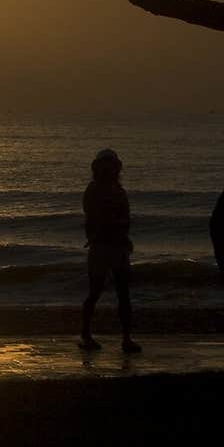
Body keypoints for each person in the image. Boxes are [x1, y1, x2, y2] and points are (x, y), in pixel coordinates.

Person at [79, 148, 141, 354]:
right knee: (95, 292)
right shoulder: (93, 189)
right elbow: (95, 217)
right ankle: (86, 335)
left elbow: (125, 218)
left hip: (118, 247)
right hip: (100, 247)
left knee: (124, 293)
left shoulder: (119, 191)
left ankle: (126, 338)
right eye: (105, 164)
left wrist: (123, 236)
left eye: (112, 164)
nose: (109, 167)